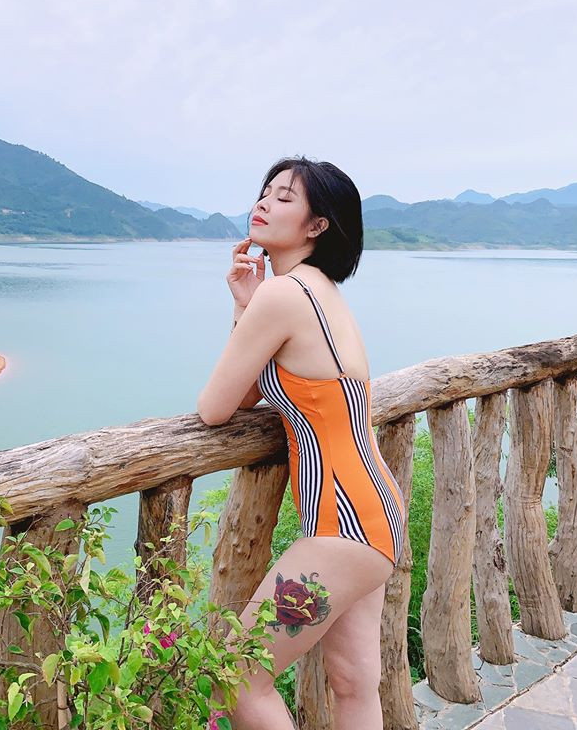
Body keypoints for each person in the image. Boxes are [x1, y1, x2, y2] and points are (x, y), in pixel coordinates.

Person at [197, 155, 406, 730]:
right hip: (376, 513)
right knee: (354, 685)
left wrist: (251, 305)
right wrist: (244, 305)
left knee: (236, 678)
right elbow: (247, 396)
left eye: (285, 197)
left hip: (343, 528)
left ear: (318, 225)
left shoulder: (285, 295)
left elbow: (215, 408)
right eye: (265, 191)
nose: (264, 203)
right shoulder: (321, 291)